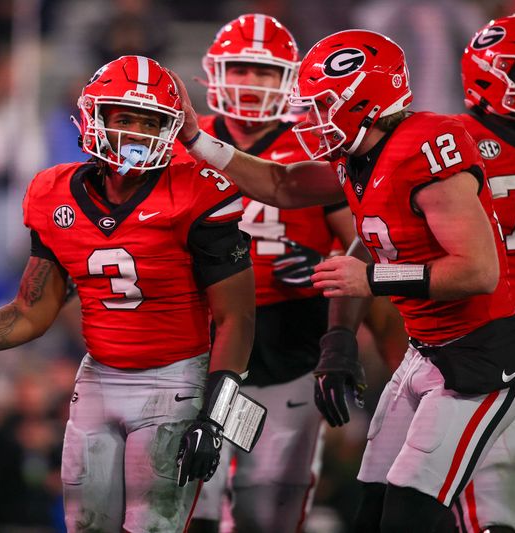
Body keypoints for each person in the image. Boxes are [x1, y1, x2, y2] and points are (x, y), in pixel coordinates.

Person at [173, 29, 515, 532]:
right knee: (373, 505)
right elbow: (282, 184)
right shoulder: (357, 155)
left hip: (480, 356)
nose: (310, 120)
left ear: (364, 102)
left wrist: (373, 278)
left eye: (322, 106)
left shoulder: (425, 146)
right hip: (427, 350)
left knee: (411, 509)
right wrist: (194, 139)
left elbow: (478, 270)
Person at [0, 55, 256, 533]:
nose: (136, 134)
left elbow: (238, 320)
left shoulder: (197, 191)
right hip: (98, 378)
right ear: (95, 117)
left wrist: (217, 415)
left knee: (153, 528)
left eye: (151, 122)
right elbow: (32, 309)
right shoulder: (53, 192)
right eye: (125, 118)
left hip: (174, 382)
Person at [178, 14, 356, 533]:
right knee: (195, 500)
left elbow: (363, 240)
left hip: (288, 350)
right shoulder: (184, 142)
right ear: (215, 72)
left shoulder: (314, 142)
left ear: (289, 79)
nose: (251, 83)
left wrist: (326, 268)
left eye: (264, 71)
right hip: (201, 348)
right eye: (241, 68)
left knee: (269, 506)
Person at [451, 15, 515, 533]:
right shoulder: (452, 141)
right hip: (488, 346)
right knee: (494, 509)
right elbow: (374, 239)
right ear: (490, 76)